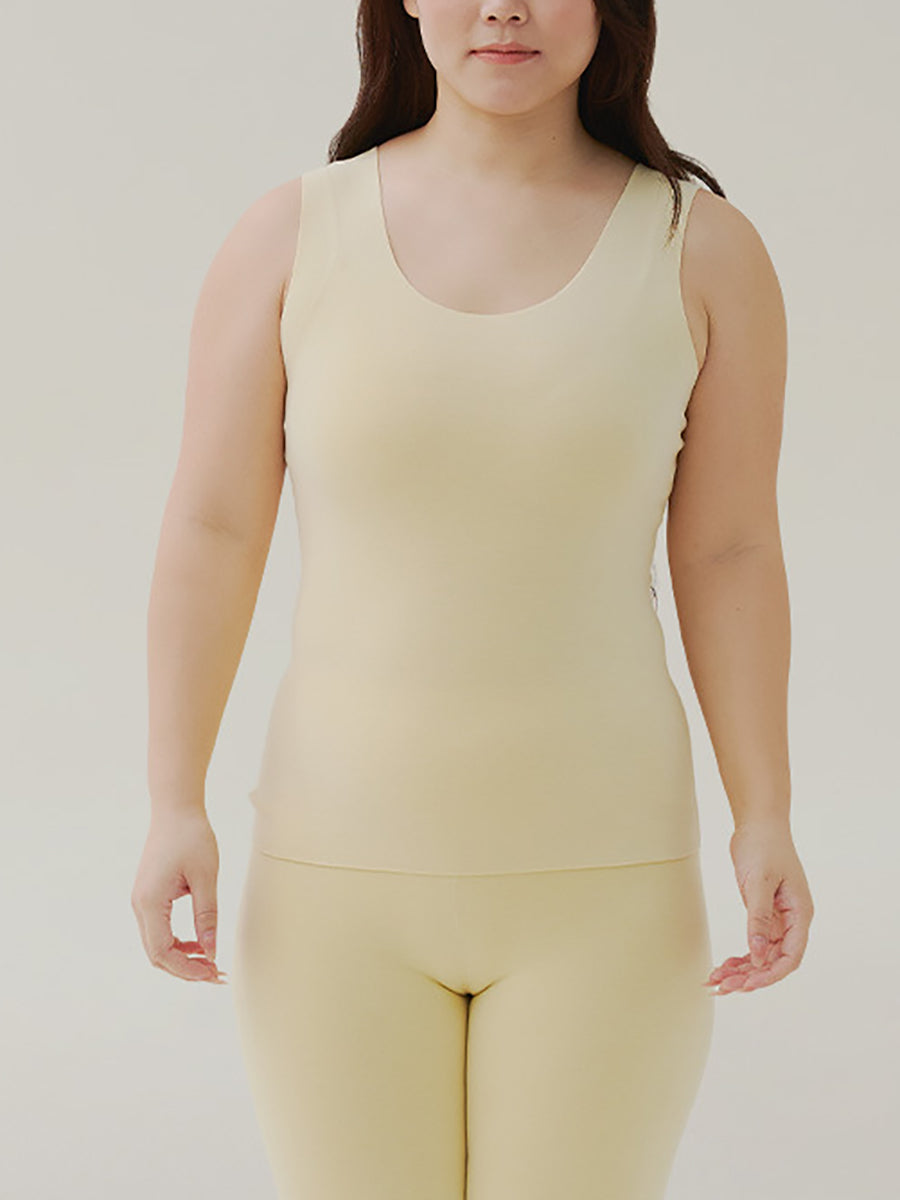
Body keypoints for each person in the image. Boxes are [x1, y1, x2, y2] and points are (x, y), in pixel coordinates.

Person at [131, 1, 815, 1196]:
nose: (503, 6)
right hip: (333, 881)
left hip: (605, 884)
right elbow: (213, 529)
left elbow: (730, 553)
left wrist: (766, 813)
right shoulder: (291, 236)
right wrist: (171, 801)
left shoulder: (701, 249)